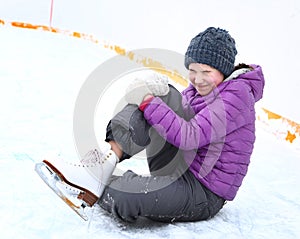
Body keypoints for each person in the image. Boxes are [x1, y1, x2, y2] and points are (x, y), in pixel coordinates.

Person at [41, 27, 265, 223]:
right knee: (165, 93)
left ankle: (96, 185)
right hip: (181, 165)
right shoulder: (198, 90)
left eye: (206, 72)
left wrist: (148, 102)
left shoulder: (237, 96)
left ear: (223, 72)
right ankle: (105, 164)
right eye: (193, 70)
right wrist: (153, 94)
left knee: (124, 198)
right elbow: (171, 117)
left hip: (203, 192)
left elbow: (190, 136)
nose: (197, 79)